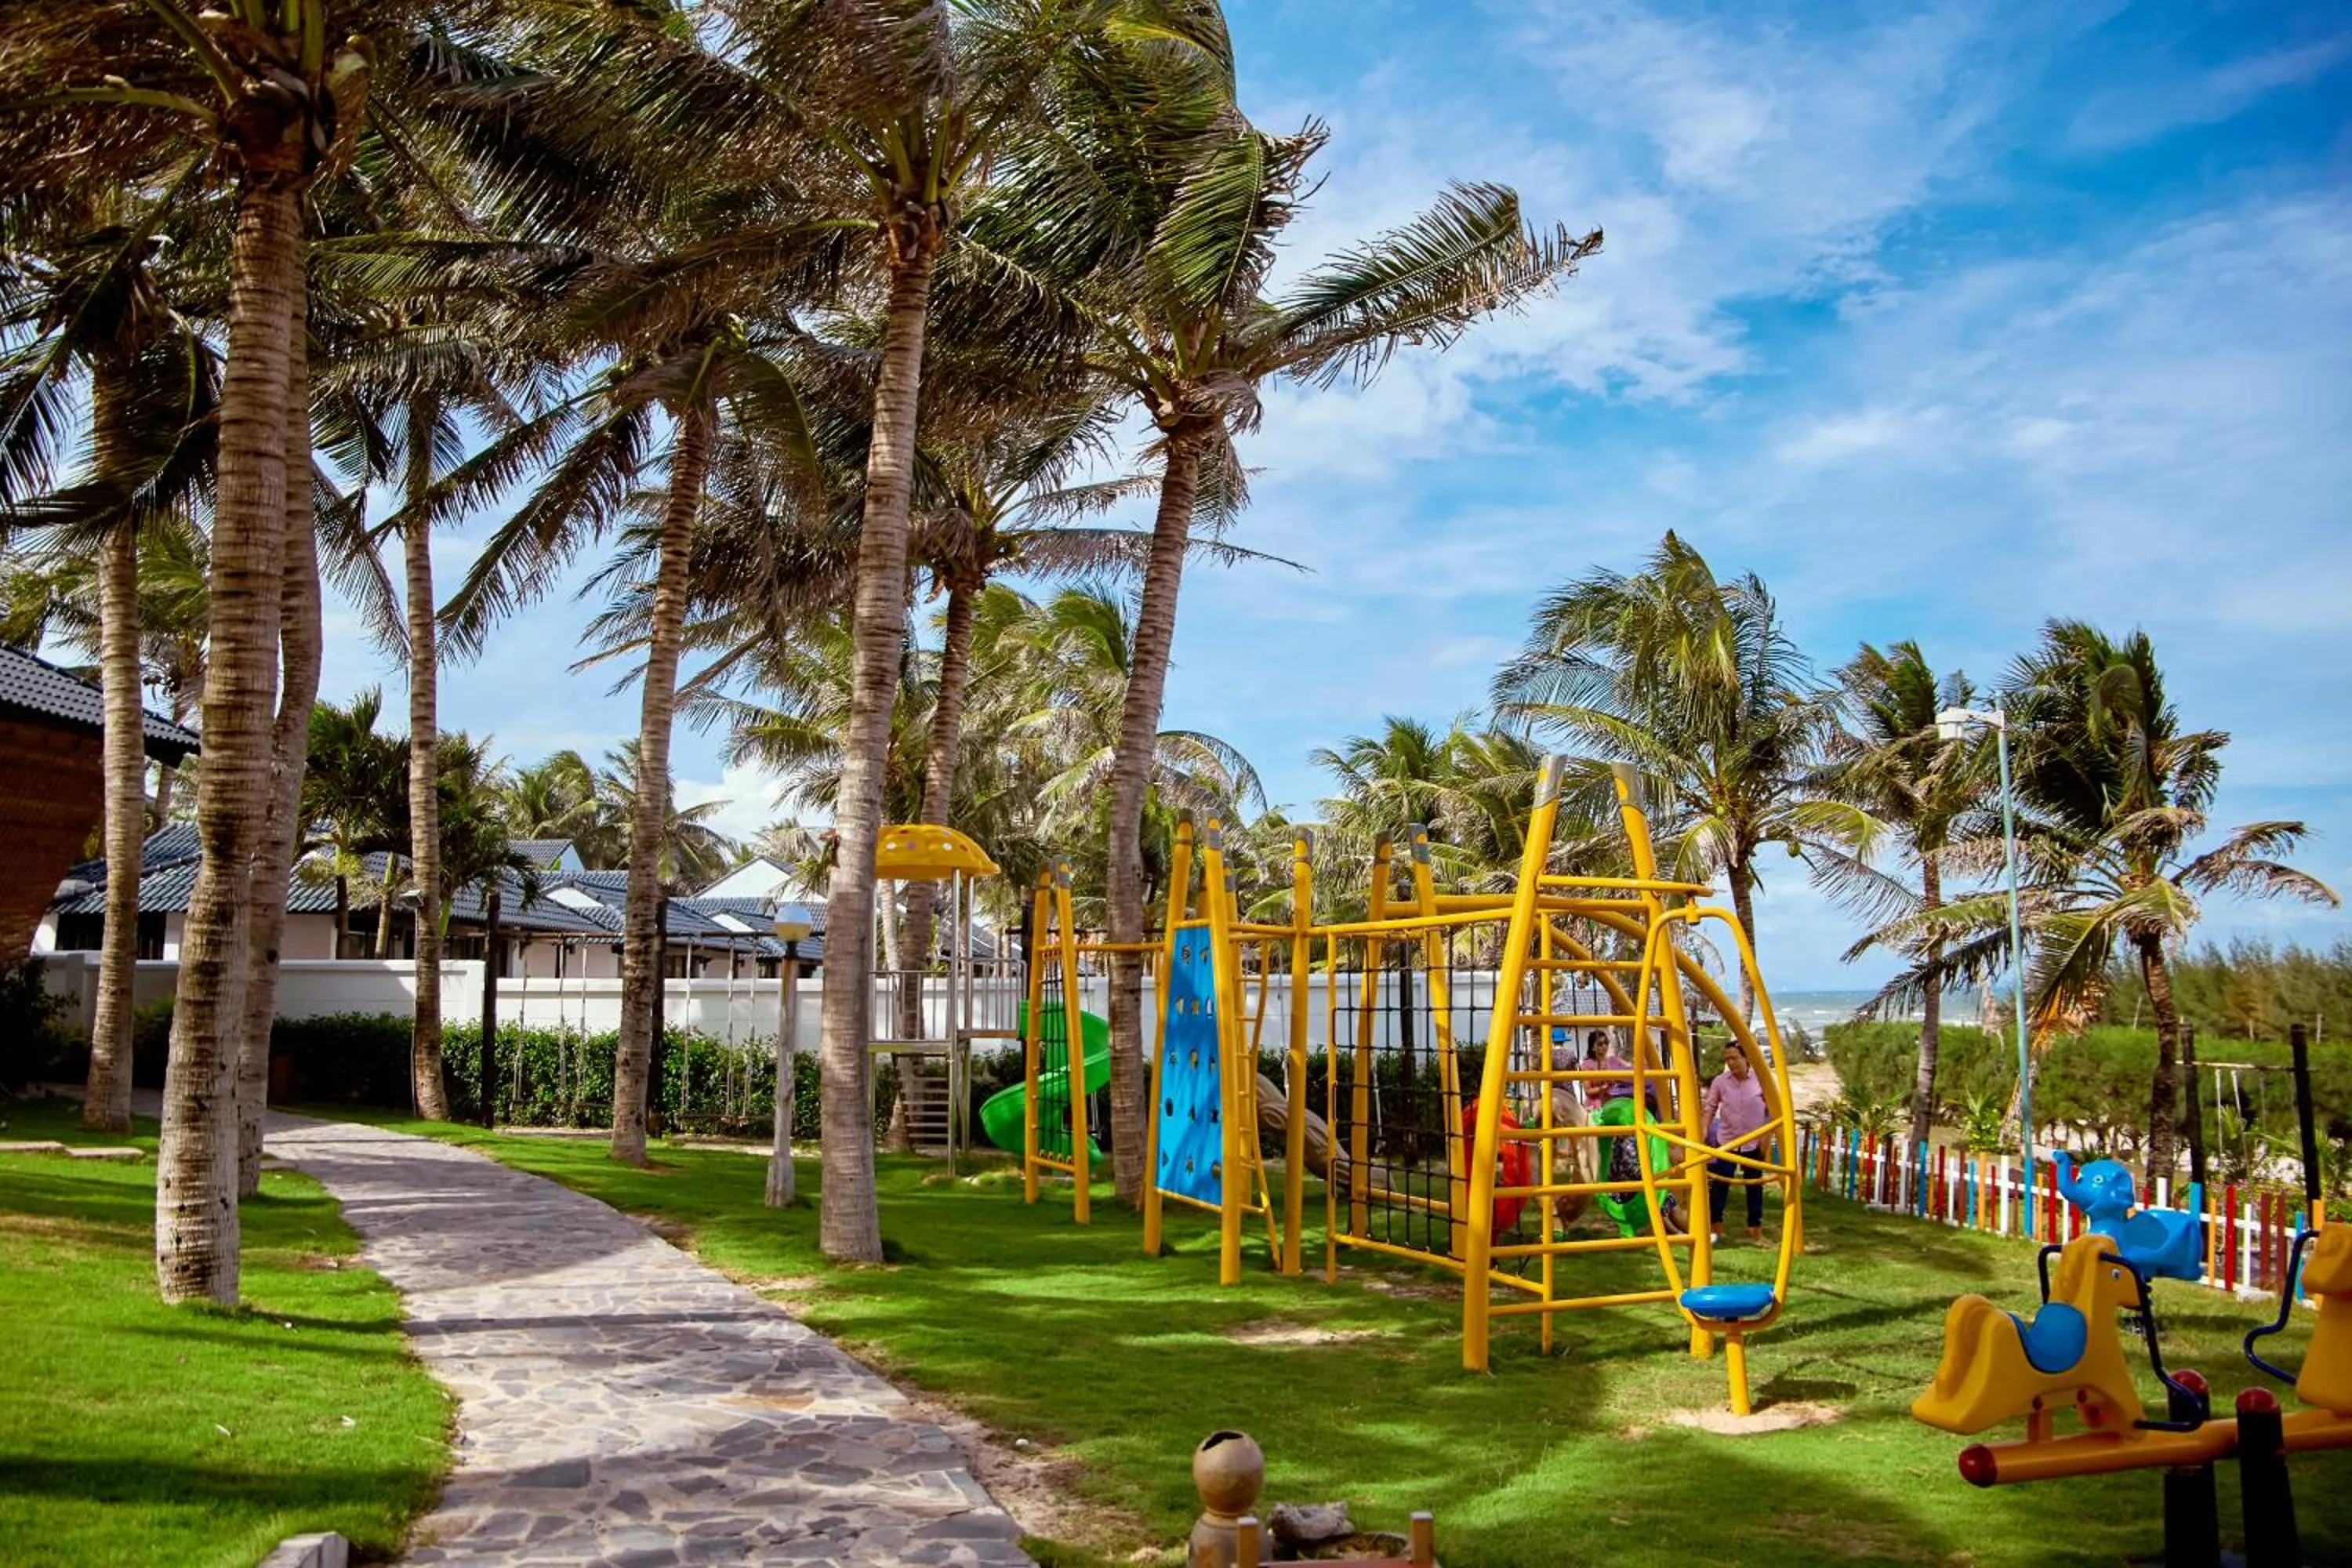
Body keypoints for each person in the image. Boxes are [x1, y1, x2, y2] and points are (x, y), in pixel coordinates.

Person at [1702, 1044, 1772, 1243]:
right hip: (1727, 1141)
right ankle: (1716, 1226)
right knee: (1720, 1184)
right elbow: (1709, 1108)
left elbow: (1773, 1109)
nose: (1730, 1063)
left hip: (1753, 1142)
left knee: (1754, 1185)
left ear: (1746, 1058)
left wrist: (1766, 1137)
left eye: (1734, 1058)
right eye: (1727, 1059)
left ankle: (1754, 1227)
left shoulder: (1762, 1080)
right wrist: (1703, 1131)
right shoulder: (1720, 1082)